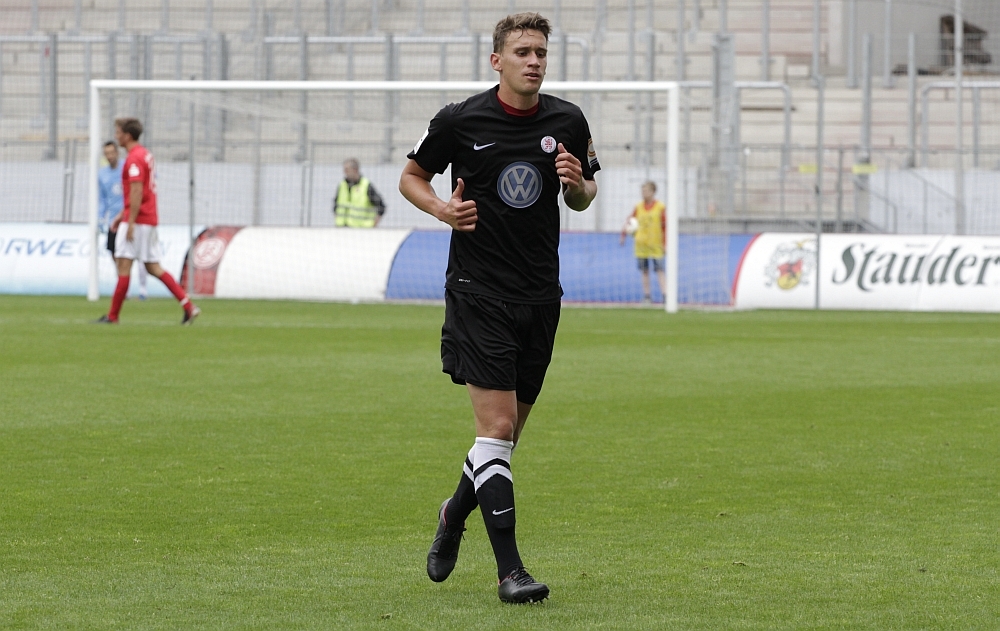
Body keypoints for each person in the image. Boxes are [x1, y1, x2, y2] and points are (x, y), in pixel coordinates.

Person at [398, 12, 599, 604]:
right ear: (497, 61)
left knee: (503, 443)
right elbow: (412, 177)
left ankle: (453, 513)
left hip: (540, 295)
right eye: (522, 52)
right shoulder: (460, 120)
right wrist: (441, 209)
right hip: (478, 290)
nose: (534, 61)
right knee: (497, 429)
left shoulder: (568, 120)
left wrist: (577, 185)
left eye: (541, 53)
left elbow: (585, 196)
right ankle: (511, 571)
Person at [95, 117, 200, 325]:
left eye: (118, 132)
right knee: (153, 267)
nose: (116, 136)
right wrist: (121, 215)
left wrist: (130, 222)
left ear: (127, 135)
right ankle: (188, 306)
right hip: (148, 219)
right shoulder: (145, 154)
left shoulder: (134, 158)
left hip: (138, 221)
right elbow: (138, 192)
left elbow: (136, 190)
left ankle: (113, 316)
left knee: (123, 265)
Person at [98, 141, 148, 299]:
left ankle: (143, 289)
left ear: (117, 153)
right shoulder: (102, 174)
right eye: (107, 153)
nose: (110, 156)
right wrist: (100, 217)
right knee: (115, 255)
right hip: (113, 222)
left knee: (140, 255)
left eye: (112, 152)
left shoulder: (127, 167)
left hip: (130, 219)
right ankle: (125, 289)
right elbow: (102, 199)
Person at [619, 180, 666, 303]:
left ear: (653, 192)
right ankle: (647, 296)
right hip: (641, 245)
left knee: (660, 270)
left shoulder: (660, 207)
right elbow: (630, 221)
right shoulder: (638, 207)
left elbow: (665, 226)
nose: (643, 193)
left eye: (646, 191)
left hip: (656, 244)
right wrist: (623, 235)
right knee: (644, 271)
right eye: (642, 191)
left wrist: (665, 243)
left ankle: (665, 295)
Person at [333, 158, 385, 227]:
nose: (344, 172)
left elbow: (381, 206)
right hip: (342, 228)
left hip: (361, 229)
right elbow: (336, 205)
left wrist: (373, 224)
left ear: (355, 170)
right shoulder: (342, 185)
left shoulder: (366, 185)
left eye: (347, 170)